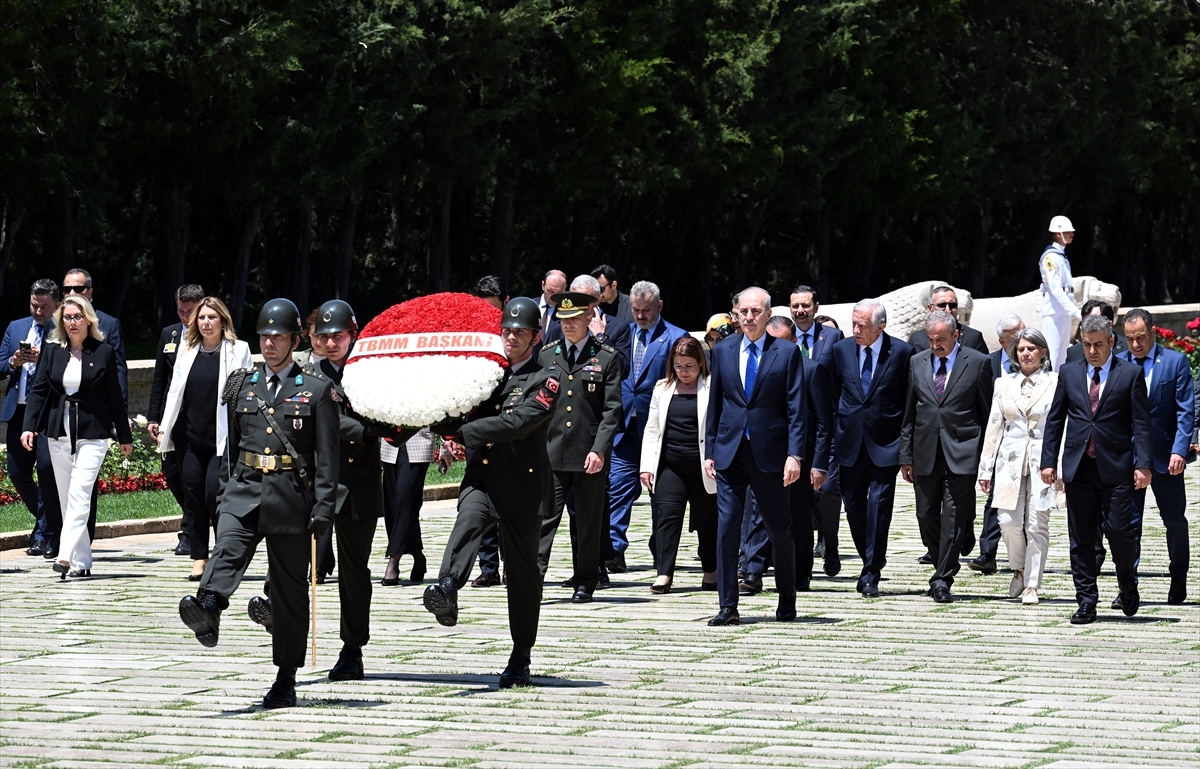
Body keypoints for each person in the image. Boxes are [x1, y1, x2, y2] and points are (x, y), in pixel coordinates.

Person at [177, 298, 338, 708]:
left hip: (291, 497)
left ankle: (286, 678)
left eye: (278, 337)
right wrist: (227, 487)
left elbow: (326, 457)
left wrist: (323, 508)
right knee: (227, 545)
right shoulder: (242, 384)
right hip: (245, 488)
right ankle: (209, 604)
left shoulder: (316, 391)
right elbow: (232, 442)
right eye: (264, 336)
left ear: (294, 339)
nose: (269, 344)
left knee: (288, 592)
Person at [421, 296, 560, 688]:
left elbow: (518, 423)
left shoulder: (547, 377)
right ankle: (448, 586)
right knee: (467, 521)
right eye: (507, 330)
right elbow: (457, 407)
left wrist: (465, 434)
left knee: (522, 576)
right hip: (483, 476)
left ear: (535, 337)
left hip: (523, 485)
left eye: (520, 331)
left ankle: (521, 655)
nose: (511, 337)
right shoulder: (485, 374)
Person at [1040, 314, 1152, 625]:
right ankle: (1087, 600)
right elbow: (1055, 420)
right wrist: (1049, 461)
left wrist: (1143, 465)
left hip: (1116, 468)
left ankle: (1127, 583)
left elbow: (1141, 425)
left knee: (1119, 531)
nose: (1092, 351)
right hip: (1079, 468)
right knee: (1082, 538)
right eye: (1087, 345)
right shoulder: (1069, 373)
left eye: (1098, 345)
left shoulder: (1129, 374)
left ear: (1111, 343)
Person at [704, 287, 805, 626]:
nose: (748, 317)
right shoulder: (724, 351)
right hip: (731, 452)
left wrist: (795, 455)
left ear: (767, 313)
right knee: (727, 527)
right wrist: (710, 451)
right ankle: (728, 605)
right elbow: (715, 404)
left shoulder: (787, 352)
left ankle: (787, 597)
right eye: (743, 312)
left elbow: (796, 409)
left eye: (755, 312)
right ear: (736, 314)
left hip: (771, 453)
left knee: (779, 528)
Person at [20, 295, 133, 578]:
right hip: (59, 430)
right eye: (67, 317)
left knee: (81, 492)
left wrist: (125, 436)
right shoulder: (52, 350)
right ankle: (82, 561)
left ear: (89, 320)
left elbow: (115, 397)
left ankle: (65, 555)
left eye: (77, 317)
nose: (72, 322)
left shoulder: (103, 351)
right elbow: (39, 390)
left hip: (93, 430)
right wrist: (29, 426)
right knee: (66, 496)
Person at [820, 299, 915, 598]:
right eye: (854, 323)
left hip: (886, 444)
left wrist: (906, 448)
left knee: (879, 506)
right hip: (849, 442)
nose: (856, 329)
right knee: (854, 508)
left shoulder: (901, 352)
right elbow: (834, 394)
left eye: (863, 325)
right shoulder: (841, 350)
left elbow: (908, 400)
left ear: (881, 326)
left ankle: (871, 570)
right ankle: (870, 558)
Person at [899, 311, 994, 603]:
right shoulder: (917, 363)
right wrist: (906, 455)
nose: (935, 345)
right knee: (925, 514)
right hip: (925, 450)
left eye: (941, 339)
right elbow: (909, 413)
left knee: (952, 518)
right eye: (930, 340)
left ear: (956, 336)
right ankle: (946, 558)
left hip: (963, 451)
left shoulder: (978, 363)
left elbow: (988, 413)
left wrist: (987, 459)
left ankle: (942, 578)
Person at [537, 289, 623, 602]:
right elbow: (540, 404)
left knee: (587, 522)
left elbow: (612, 410)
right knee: (544, 518)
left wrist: (599, 449)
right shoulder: (548, 355)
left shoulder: (605, 357)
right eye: (563, 319)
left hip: (589, 453)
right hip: (553, 451)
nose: (568, 325)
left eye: (574, 318)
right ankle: (532, 576)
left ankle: (586, 580)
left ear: (589, 317)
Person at [157, 297, 252, 581]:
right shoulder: (187, 351)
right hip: (189, 436)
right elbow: (174, 392)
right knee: (193, 495)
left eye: (212, 317)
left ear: (223, 320)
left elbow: (246, 392)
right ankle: (199, 556)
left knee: (214, 494)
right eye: (201, 318)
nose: (206, 322)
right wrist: (164, 427)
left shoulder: (239, 350)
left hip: (221, 437)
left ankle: (225, 553)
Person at [738, 316, 829, 594]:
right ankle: (752, 570)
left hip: (800, 455)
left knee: (798, 515)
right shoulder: (754, 366)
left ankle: (800, 572)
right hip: (763, 453)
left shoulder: (812, 370)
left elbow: (824, 421)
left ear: (793, 343)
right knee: (755, 512)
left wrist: (818, 464)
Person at [606, 280, 687, 573]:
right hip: (624, 425)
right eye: (636, 310)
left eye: (647, 311)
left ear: (659, 306)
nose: (641, 316)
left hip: (661, 429)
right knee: (618, 487)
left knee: (661, 494)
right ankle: (614, 549)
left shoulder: (677, 338)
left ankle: (661, 550)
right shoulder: (621, 334)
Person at [978, 328, 1060, 604]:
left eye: (1031, 348)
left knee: (1037, 524)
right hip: (1008, 461)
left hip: (1043, 460)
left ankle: (1032, 585)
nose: (1026, 353)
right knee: (1008, 522)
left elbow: (1062, 425)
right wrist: (985, 469)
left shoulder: (1056, 382)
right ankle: (1019, 568)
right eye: (1021, 349)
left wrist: (1059, 464)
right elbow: (993, 427)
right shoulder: (1003, 383)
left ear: (1043, 352)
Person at [1119, 308, 1194, 605]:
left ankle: (1178, 580)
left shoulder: (1175, 362)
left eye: (1140, 338)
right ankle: (1128, 586)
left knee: (1174, 521)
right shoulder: (1118, 363)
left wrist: (1180, 449)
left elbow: (1185, 411)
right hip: (1129, 458)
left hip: (1166, 457)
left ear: (1152, 332)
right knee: (1128, 524)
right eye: (1129, 339)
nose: (1135, 344)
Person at [639, 336, 718, 592]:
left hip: (703, 465)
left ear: (700, 363)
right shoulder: (662, 388)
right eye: (678, 366)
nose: (684, 372)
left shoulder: (712, 386)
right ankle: (664, 573)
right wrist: (646, 466)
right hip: (670, 465)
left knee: (707, 520)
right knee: (667, 517)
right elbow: (652, 430)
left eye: (689, 366)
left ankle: (711, 570)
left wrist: (716, 457)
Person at [1, 279, 61, 557]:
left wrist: (43, 360)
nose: (38, 312)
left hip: (49, 413)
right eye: (34, 306)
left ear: (56, 304)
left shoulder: (65, 328)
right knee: (17, 473)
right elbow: (0, 364)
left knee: (47, 473)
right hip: (19, 411)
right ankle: (45, 524)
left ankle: (43, 533)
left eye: (44, 307)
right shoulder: (15, 327)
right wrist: (14, 361)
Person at [148, 284, 205, 557]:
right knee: (173, 474)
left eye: (190, 311)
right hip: (172, 415)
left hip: (199, 416)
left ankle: (189, 532)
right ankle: (194, 520)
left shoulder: (211, 335)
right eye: (181, 311)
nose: (185, 317)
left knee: (192, 476)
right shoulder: (169, 334)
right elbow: (159, 380)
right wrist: (153, 418)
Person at [967, 313, 1026, 576]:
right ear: (1002, 341)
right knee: (994, 497)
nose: (1024, 341)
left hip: (1026, 442)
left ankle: (1022, 558)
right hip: (997, 440)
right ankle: (987, 553)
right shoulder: (987, 364)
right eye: (1016, 337)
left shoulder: (1036, 361)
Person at [61, 269, 127, 404]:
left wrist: (121, 410)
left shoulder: (109, 324)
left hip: (97, 405)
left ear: (90, 292)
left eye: (78, 289)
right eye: (67, 290)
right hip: (61, 404)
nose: (72, 293)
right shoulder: (54, 323)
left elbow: (118, 370)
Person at [380, 428, 436, 586]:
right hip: (389, 445)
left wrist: (446, 445)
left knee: (403, 501)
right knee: (396, 507)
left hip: (419, 443)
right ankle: (418, 555)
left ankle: (394, 559)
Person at [543, 274, 631, 373]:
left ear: (598, 299)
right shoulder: (559, 329)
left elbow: (623, 370)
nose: (579, 304)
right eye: (575, 299)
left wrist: (601, 338)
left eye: (585, 300)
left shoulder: (618, 327)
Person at [1039, 216, 1083, 371]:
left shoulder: (1061, 256)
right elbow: (1055, 289)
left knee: (1063, 357)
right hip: (1054, 312)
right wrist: (1076, 312)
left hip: (1063, 313)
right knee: (1053, 355)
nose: (1072, 234)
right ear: (1058, 234)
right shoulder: (1050, 257)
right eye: (1067, 231)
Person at [907, 286, 989, 354]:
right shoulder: (917, 339)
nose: (948, 310)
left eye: (952, 305)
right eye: (942, 305)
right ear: (930, 308)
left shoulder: (973, 338)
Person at [789, 285, 844, 363]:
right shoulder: (782, 337)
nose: (800, 311)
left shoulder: (834, 336)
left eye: (805, 306)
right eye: (795, 306)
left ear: (816, 307)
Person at [534, 270, 568, 336]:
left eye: (559, 292)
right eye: (550, 291)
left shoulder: (566, 312)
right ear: (543, 285)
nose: (553, 296)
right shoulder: (530, 306)